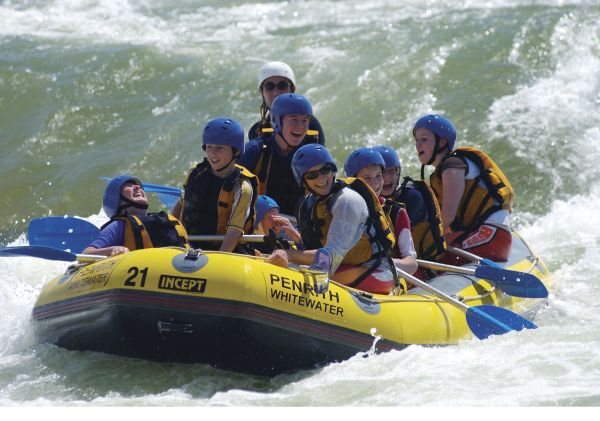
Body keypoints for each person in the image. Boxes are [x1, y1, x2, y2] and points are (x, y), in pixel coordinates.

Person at [268, 144, 405, 295]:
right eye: (312, 175)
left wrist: (290, 254)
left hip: (375, 270)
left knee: (296, 273)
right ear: (303, 180)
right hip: (343, 266)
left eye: (325, 170)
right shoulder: (306, 204)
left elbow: (331, 255)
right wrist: (294, 240)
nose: (321, 177)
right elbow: (313, 249)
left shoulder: (347, 200)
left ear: (332, 170)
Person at [413, 114, 514, 264]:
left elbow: (448, 216)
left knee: (429, 258)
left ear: (442, 142)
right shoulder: (445, 169)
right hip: (489, 235)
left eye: (424, 139)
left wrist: (420, 246)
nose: (418, 144)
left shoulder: (452, 165)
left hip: (491, 237)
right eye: (416, 140)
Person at [171, 117, 258, 253]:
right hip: (187, 244)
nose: (212, 154)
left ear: (236, 151)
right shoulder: (196, 174)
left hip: (222, 249)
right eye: (209, 147)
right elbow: (179, 207)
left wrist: (218, 258)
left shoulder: (242, 188)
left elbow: (234, 232)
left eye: (219, 148)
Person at [343, 147, 417, 276]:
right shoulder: (341, 208)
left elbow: (411, 263)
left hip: (386, 279)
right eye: (367, 178)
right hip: (349, 277)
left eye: (378, 176)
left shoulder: (397, 212)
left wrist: (380, 263)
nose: (375, 183)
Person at [239, 93, 317, 215]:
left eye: (304, 120)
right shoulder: (253, 151)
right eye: (294, 120)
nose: (300, 127)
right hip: (261, 222)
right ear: (276, 121)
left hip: (299, 225)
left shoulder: (313, 154)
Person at [82, 175, 189, 257]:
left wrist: (182, 200)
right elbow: (87, 253)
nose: (137, 187)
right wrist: (112, 250)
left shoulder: (166, 220)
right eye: (128, 186)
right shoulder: (119, 226)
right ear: (117, 200)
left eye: (138, 185)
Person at [373, 145, 446, 263]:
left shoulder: (412, 197)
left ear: (398, 173)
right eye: (381, 172)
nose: (386, 177)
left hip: (423, 264)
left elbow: (390, 237)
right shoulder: (370, 200)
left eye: (391, 171)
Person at [248, 61, 325, 145]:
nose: (275, 92)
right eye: (269, 86)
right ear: (262, 92)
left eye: (282, 86)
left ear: (292, 90)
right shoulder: (256, 131)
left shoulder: (311, 125)